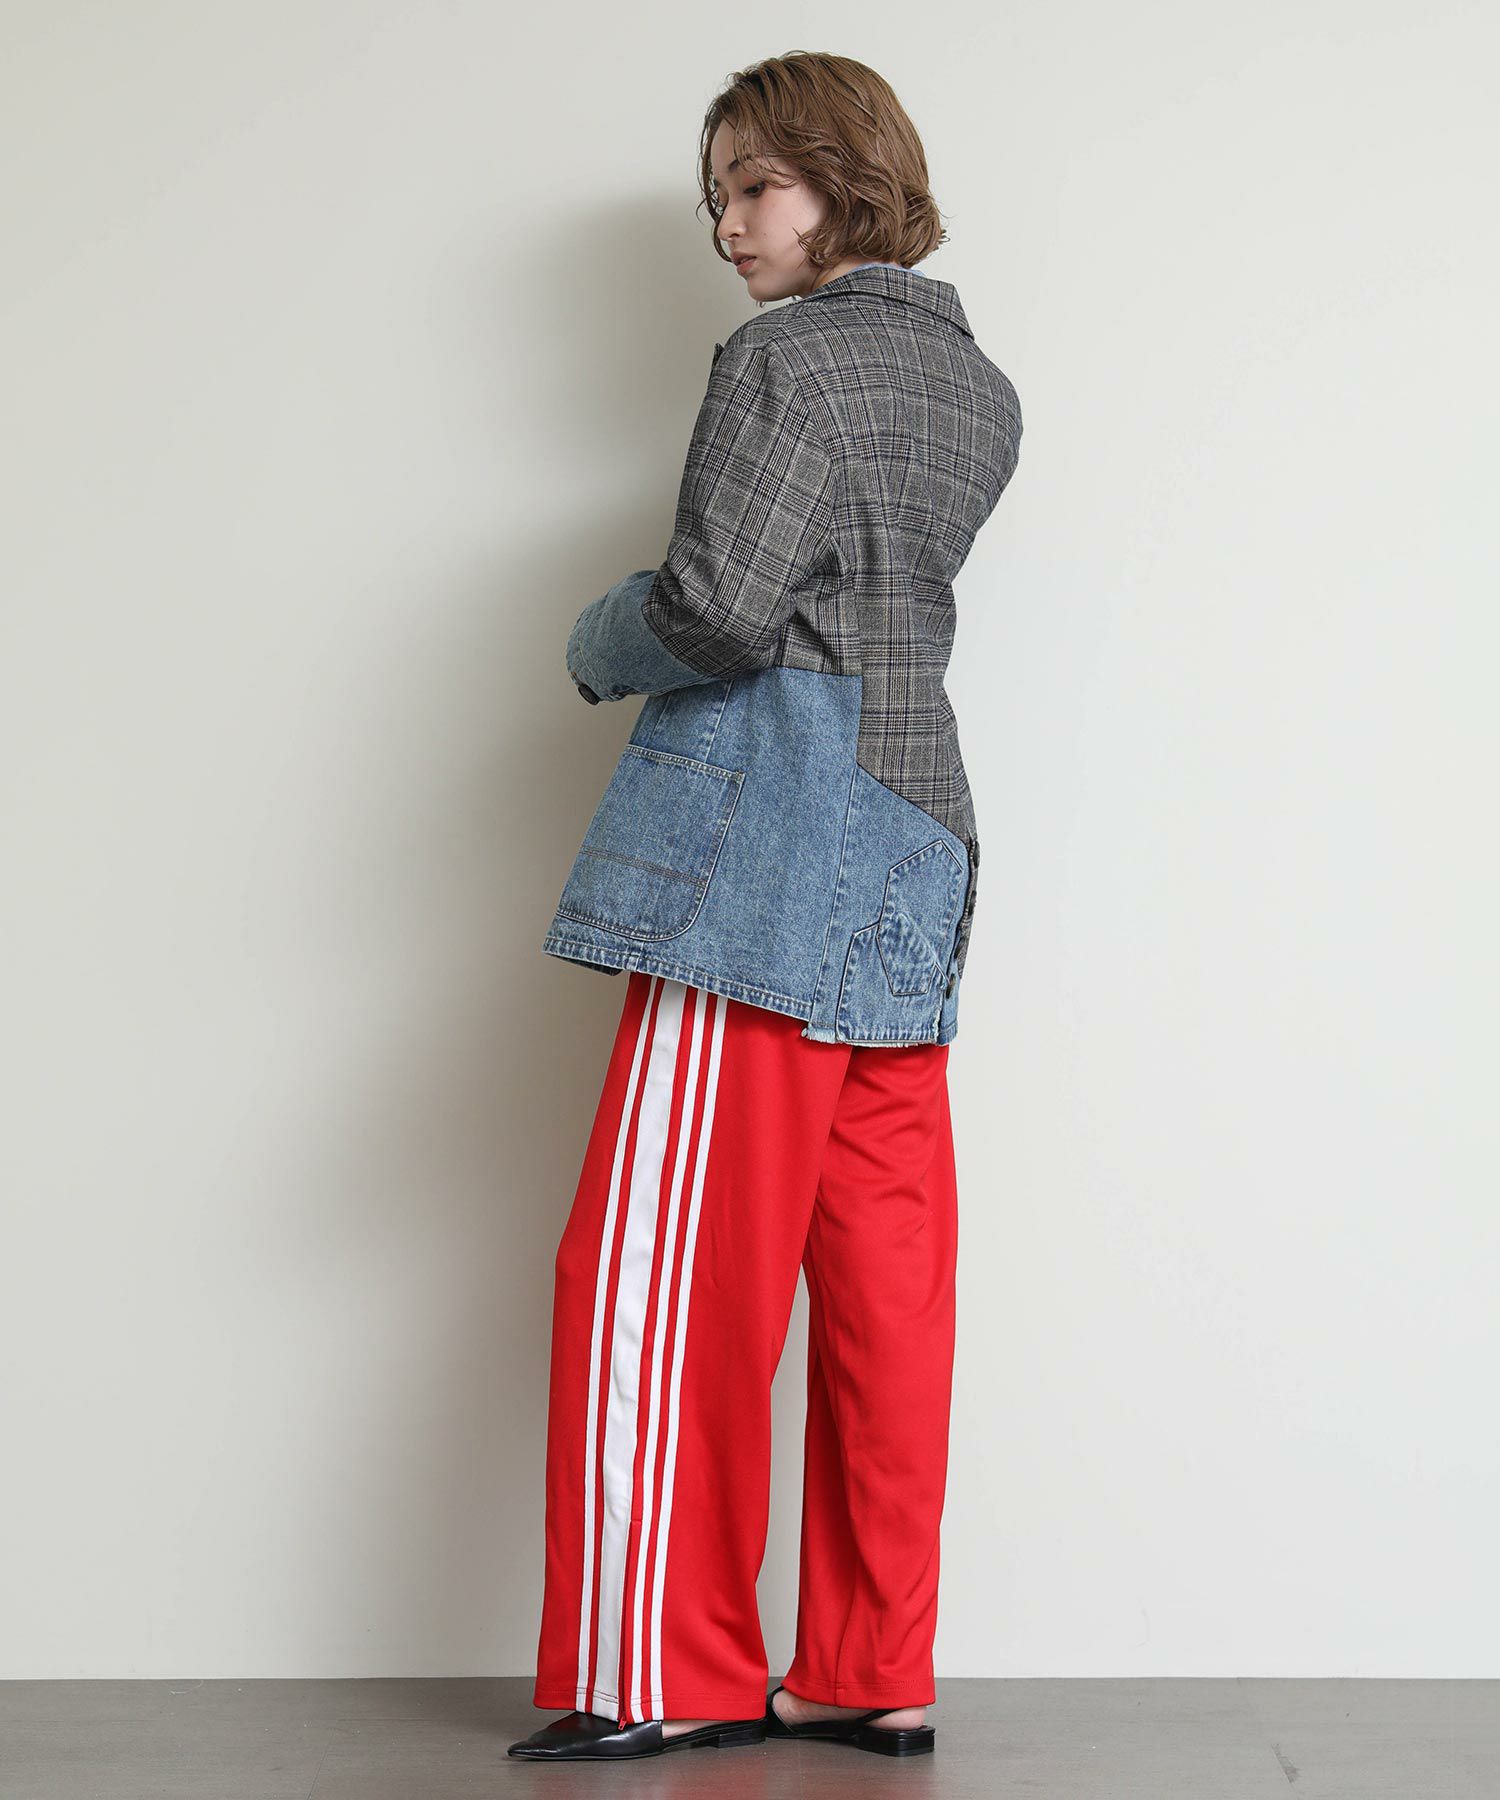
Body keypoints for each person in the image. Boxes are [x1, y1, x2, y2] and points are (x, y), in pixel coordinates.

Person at [509, 50, 1022, 1763]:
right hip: (918, 832)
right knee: (886, 1280)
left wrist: (595, 638)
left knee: (662, 1270)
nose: (729, 224)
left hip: (773, 838)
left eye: (755, 185)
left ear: (846, 179)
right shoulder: (984, 391)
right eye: (717, 195)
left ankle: (660, 1669)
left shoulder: (781, 359)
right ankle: (872, 1664)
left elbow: (722, 611)